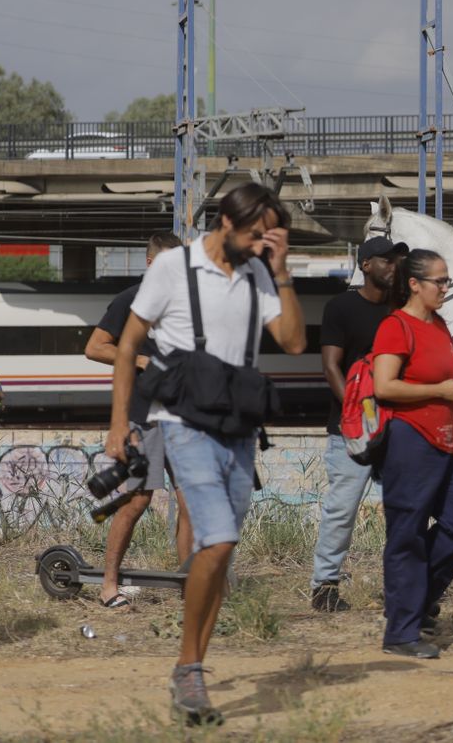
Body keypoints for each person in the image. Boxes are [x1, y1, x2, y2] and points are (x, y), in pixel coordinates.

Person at [105, 186, 306, 725]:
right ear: (225, 223)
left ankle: (191, 665)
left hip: (239, 428)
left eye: (269, 236)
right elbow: (126, 345)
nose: (261, 243)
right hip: (183, 424)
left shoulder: (261, 273)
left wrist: (280, 267)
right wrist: (119, 423)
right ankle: (189, 668)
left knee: (220, 555)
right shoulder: (173, 267)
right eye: (255, 233)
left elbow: (291, 342)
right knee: (217, 540)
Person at [372, 248, 453, 659]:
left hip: (445, 441)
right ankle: (401, 633)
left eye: (448, 280)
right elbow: (385, 387)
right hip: (410, 441)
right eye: (440, 281)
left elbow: (442, 374)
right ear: (415, 284)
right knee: (407, 535)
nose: (446, 289)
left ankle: (415, 603)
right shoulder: (395, 327)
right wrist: (439, 391)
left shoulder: (438, 325)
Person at [86, 231, 191, 607]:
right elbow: (94, 347)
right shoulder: (130, 300)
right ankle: (108, 585)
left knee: (191, 502)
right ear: (151, 264)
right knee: (137, 500)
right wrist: (140, 360)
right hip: (142, 417)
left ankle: (188, 588)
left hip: (182, 416)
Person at [310, 234, 406, 612]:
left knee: (403, 509)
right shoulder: (341, 308)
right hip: (351, 432)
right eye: (385, 260)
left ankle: (402, 587)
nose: (392, 266)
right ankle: (324, 587)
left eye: (397, 260)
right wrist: (358, 412)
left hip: (397, 429)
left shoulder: (402, 310)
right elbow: (331, 365)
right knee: (342, 510)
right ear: (365, 265)